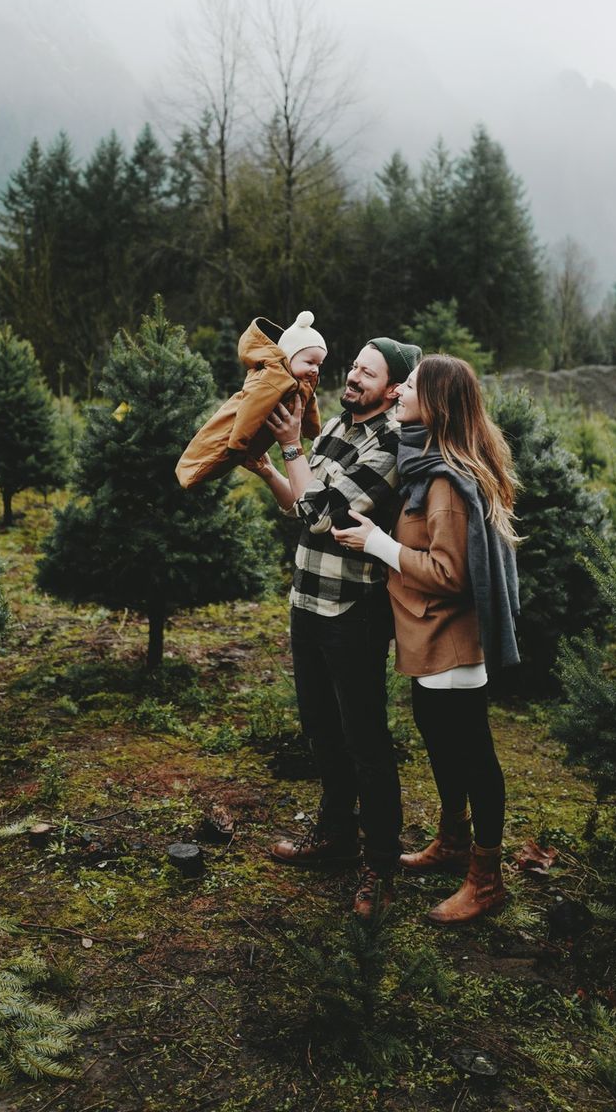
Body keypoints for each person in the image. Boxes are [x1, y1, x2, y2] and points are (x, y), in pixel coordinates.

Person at [332, 354, 520, 926]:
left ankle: (487, 879)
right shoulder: (428, 461)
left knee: (474, 758)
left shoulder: (444, 481)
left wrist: (378, 544)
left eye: (409, 386)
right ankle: (453, 841)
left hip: (452, 645)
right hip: (428, 642)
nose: (399, 392)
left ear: (434, 402)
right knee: (443, 746)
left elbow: (451, 573)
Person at [250, 336, 421, 918]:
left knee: (365, 739)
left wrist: (293, 446)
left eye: (367, 373)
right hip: (307, 600)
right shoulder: (337, 430)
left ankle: (380, 863)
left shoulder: (391, 446)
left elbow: (324, 515)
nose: (352, 378)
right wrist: (273, 469)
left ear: (395, 388)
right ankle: (335, 837)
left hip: (353, 609)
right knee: (321, 727)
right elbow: (301, 507)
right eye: (353, 367)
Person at [175, 311, 325, 489]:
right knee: (212, 452)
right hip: (235, 428)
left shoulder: (304, 382)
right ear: (289, 356)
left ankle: (196, 476)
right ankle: (186, 474)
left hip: (254, 437)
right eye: (309, 362)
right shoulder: (273, 377)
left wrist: (313, 432)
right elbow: (251, 408)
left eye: (318, 365)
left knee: (226, 464)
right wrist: (238, 441)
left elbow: (310, 408)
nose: (315, 369)